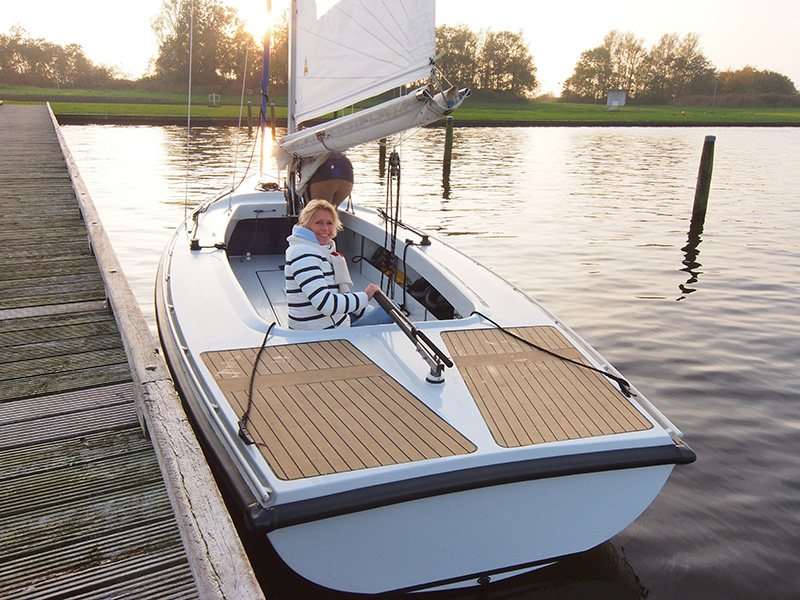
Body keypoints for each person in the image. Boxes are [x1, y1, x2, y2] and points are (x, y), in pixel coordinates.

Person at [285, 199, 384, 330]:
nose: (325, 228)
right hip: (321, 334)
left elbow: (336, 294)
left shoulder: (320, 250)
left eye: (329, 223)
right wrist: (365, 297)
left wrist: (362, 308)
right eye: (318, 222)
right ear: (305, 225)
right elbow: (325, 304)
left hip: (335, 322)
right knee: (389, 316)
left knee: (386, 312)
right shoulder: (304, 254)